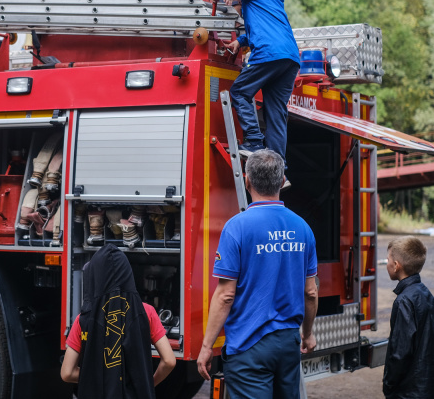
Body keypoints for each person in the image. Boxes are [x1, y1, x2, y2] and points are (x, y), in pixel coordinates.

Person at [197, 149, 318, 398]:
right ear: (282, 181)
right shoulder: (302, 228)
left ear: (247, 180)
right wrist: (307, 333)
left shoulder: (237, 227)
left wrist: (207, 346)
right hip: (287, 344)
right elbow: (311, 292)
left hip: (248, 345)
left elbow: (225, 296)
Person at [210, 0, 301, 185]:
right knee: (276, 112)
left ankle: (253, 142)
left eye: (235, 3)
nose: (237, 9)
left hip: (269, 52)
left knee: (240, 91)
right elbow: (262, 27)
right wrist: (239, 42)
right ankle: (280, 168)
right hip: (289, 58)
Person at [60, 244, 176, 397]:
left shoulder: (84, 319)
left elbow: (67, 373)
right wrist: (147, 383)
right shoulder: (146, 312)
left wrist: (101, 380)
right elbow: (169, 361)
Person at [382, 236, 434, 399]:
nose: (386, 263)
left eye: (388, 259)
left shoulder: (404, 301)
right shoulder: (426, 294)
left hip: (409, 392)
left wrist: (389, 384)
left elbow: (401, 352)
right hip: (430, 387)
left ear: (396, 266)